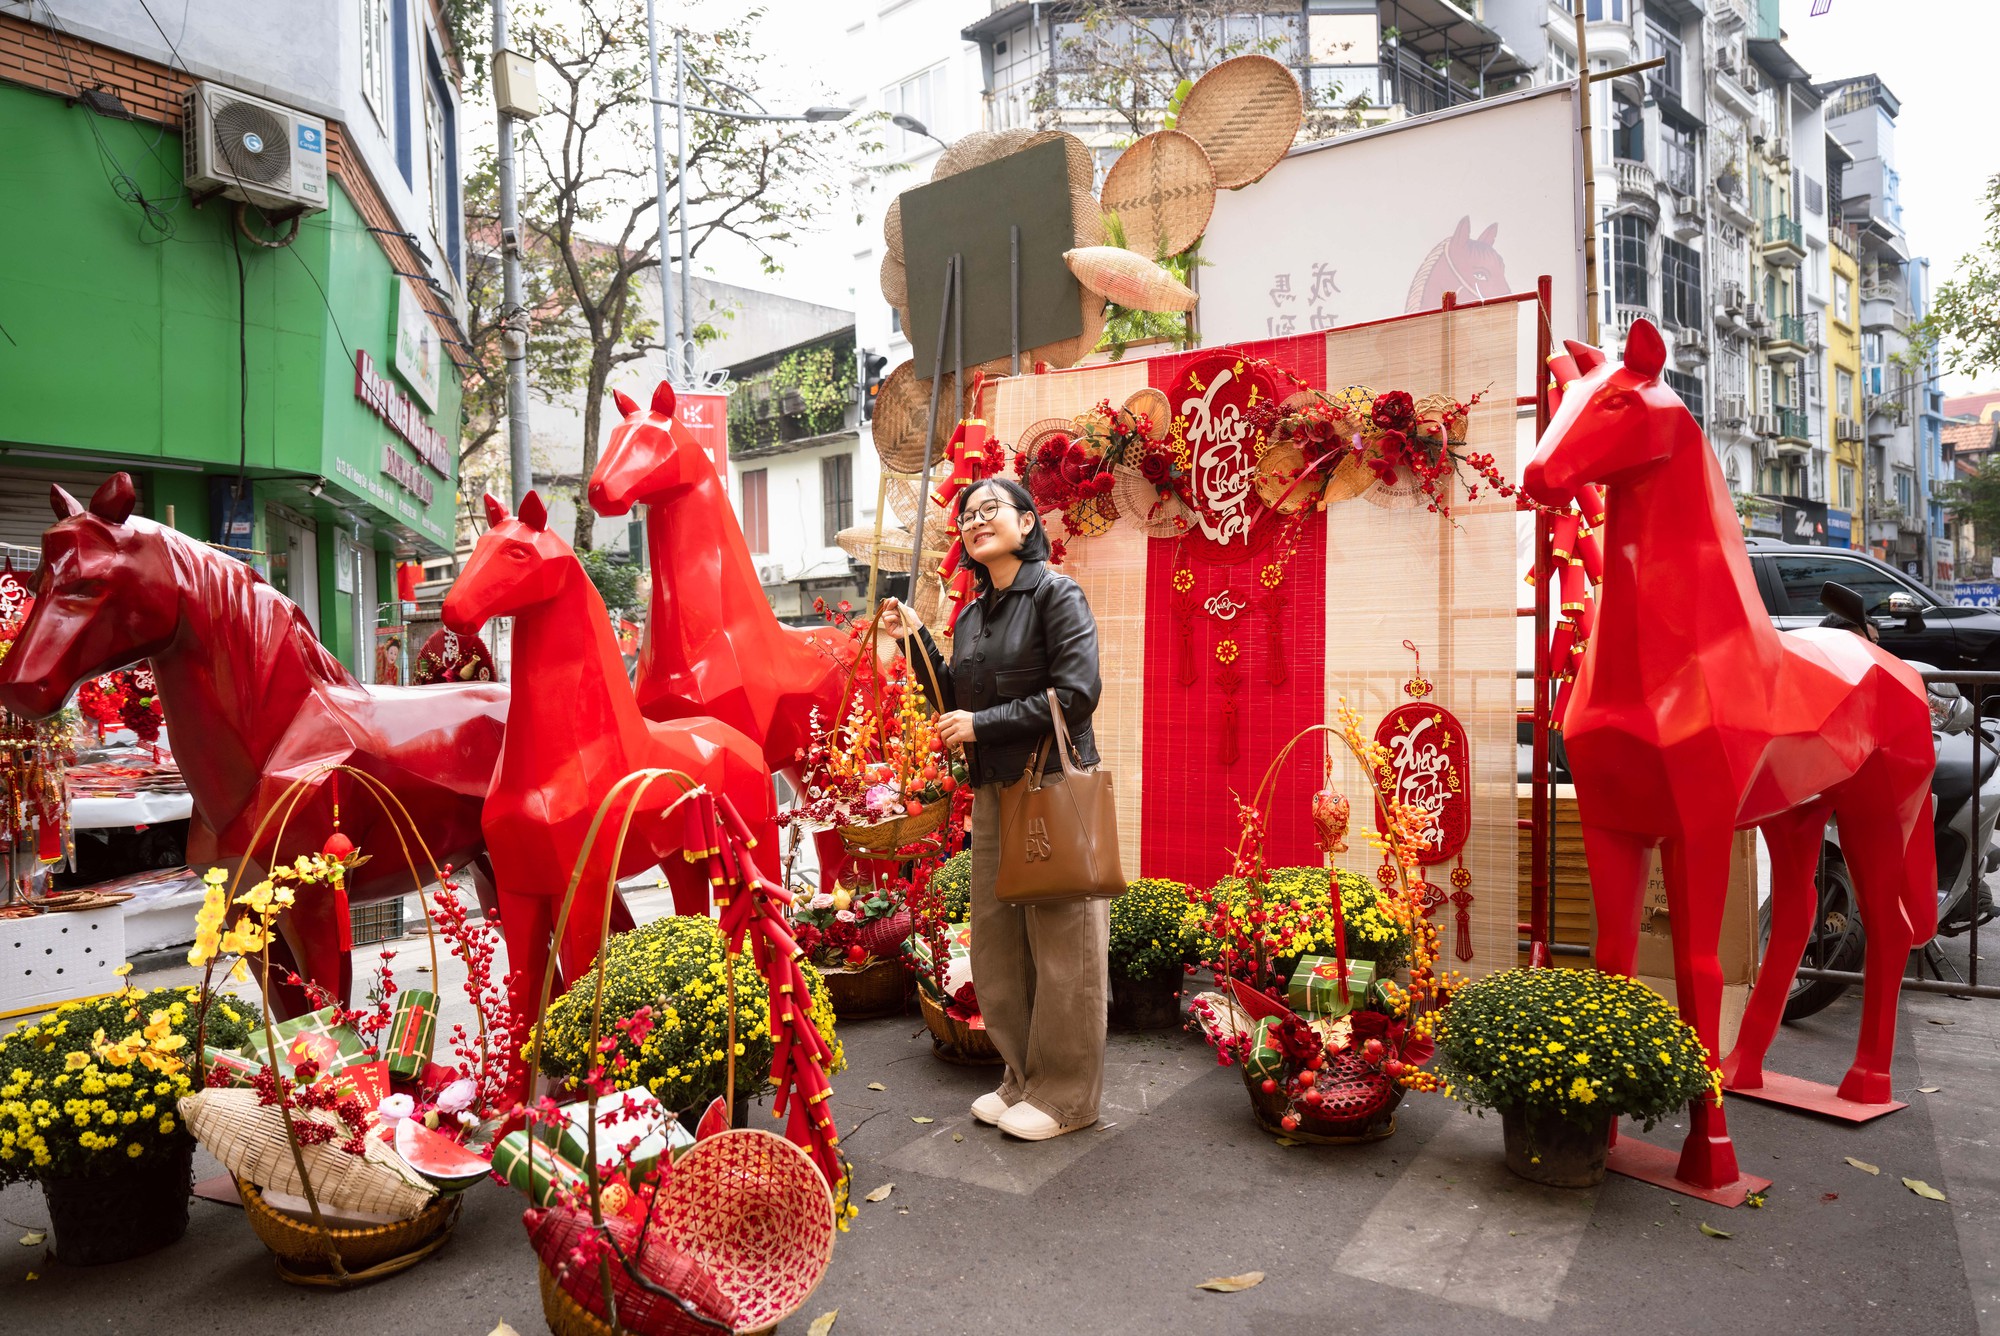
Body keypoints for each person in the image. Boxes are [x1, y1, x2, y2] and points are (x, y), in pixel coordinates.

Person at [875, 476, 1108, 1141]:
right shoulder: (974, 613)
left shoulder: (1056, 595)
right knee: (1000, 944)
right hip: (995, 793)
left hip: (1052, 787)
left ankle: (1067, 1097)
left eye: (991, 511)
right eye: (967, 516)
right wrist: (919, 636)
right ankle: (1021, 1076)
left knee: (1065, 948)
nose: (977, 522)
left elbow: (1077, 692)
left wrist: (984, 724)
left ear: (1028, 524)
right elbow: (953, 695)